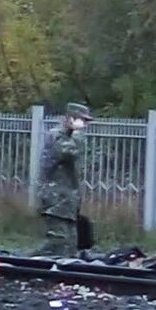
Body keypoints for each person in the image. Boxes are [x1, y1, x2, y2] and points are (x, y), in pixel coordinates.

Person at [37, 102, 93, 256]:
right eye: (82, 121)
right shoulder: (57, 135)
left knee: (71, 245)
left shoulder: (69, 137)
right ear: (70, 119)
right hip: (56, 199)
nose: (84, 126)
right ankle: (31, 265)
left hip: (67, 200)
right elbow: (69, 152)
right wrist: (78, 135)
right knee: (57, 243)